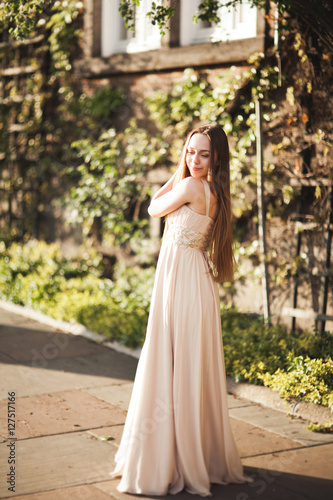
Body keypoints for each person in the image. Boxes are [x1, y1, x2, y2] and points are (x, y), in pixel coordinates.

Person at [111, 124, 250, 496]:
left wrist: (180, 172)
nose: (195, 160)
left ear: (217, 156)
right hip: (194, 284)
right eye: (190, 151)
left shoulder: (190, 187)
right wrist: (184, 166)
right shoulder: (216, 190)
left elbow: (155, 207)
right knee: (185, 368)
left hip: (181, 284)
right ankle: (188, 453)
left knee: (171, 363)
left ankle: (168, 458)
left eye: (204, 154)